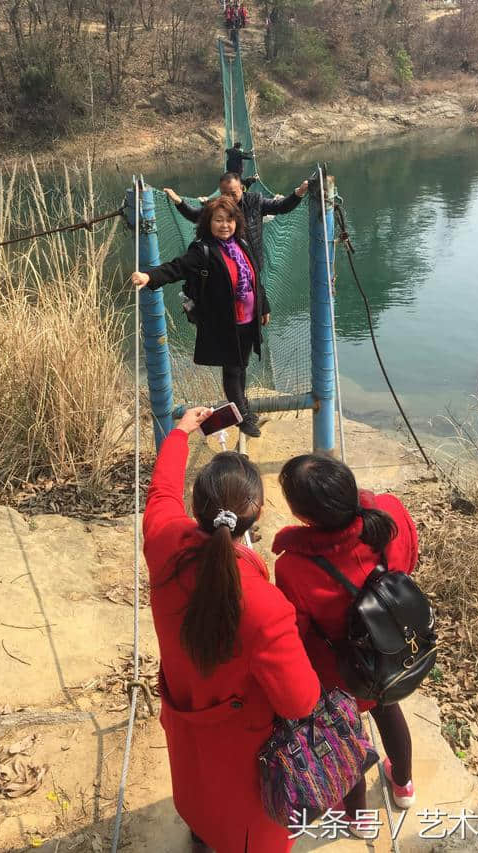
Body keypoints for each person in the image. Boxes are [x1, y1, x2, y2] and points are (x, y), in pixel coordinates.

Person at [143, 407, 320, 851]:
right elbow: (300, 700)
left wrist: (182, 432)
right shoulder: (265, 605)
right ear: (255, 514)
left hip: (185, 719)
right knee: (245, 827)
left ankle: (200, 831)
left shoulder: (164, 541)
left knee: (198, 795)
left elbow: (161, 490)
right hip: (246, 750)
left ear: (197, 506)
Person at [272, 454, 419, 830]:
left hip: (343, 673)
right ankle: (403, 785)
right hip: (391, 653)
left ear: (305, 517)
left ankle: (357, 816)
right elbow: (411, 560)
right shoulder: (390, 513)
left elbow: (297, 631)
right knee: (389, 711)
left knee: (346, 738)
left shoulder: (293, 565)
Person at [132, 197, 270, 437]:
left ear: (236, 222)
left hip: (248, 320)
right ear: (208, 222)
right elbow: (177, 268)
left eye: (229, 220)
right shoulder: (203, 250)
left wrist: (264, 307)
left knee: (241, 366)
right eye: (218, 220)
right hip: (225, 323)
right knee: (232, 370)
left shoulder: (241, 244)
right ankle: (243, 418)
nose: (225, 225)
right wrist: (149, 277)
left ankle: (243, 408)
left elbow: (254, 278)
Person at [163, 171, 309, 273]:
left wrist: (299, 193)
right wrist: (179, 202)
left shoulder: (255, 201)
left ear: (242, 188)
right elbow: (195, 216)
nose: (229, 198)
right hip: (225, 266)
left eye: (233, 193)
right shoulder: (216, 206)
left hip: (251, 263)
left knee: (255, 302)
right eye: (225, 193)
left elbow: (280, 207)